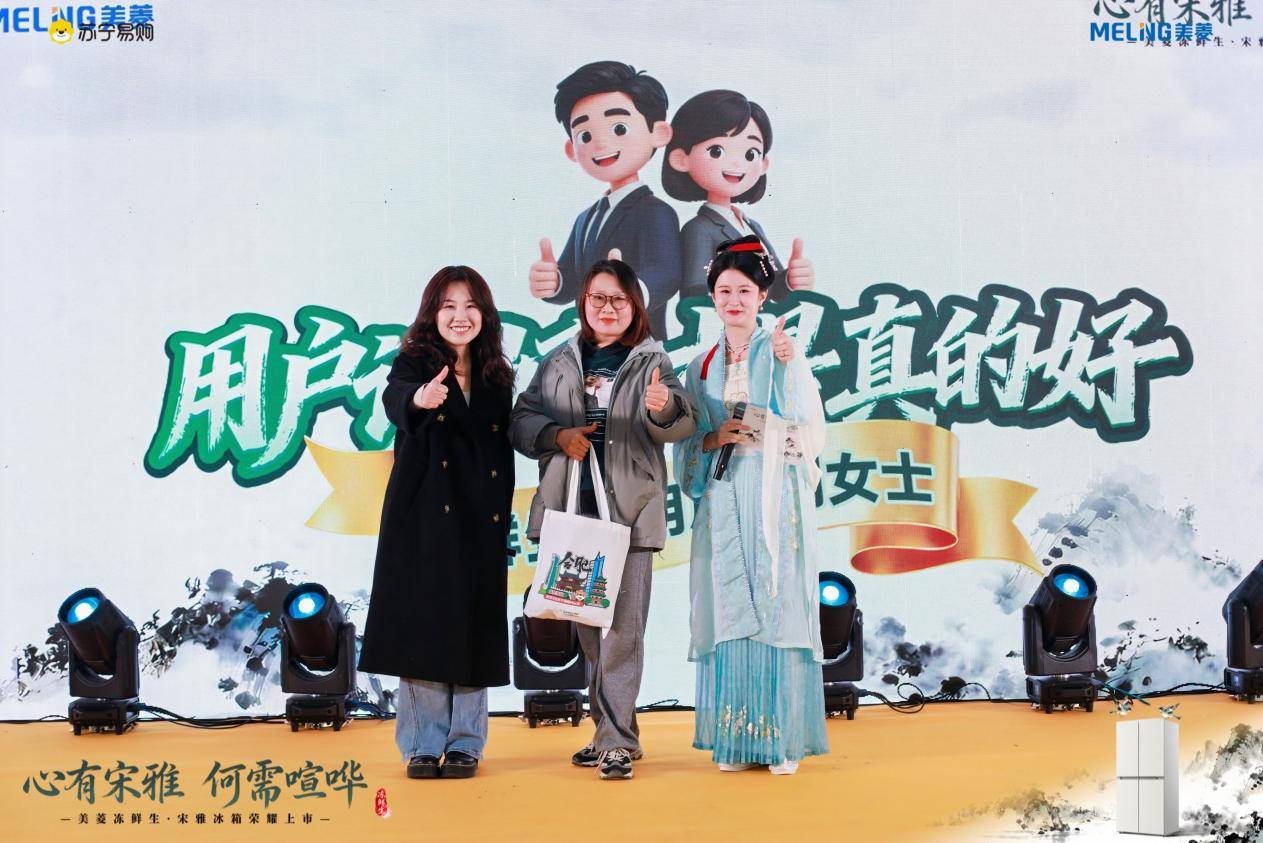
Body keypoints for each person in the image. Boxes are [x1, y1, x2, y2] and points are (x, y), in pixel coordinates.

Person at [511, 257, 696, 780]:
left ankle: (614, 741)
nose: (608, 308)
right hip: (572, 513)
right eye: (598, 298)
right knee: (590, 629)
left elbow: (681, 424)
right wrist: (556, 436)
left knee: (623, 631)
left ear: (635, 306)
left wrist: (663, 406)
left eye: (618, 299)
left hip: (630, 516)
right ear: (583, 303)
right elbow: (521, 419)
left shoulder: (653, 360)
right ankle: (613, 733)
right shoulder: (558, 361)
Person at [673, 235, 828, 775]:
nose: (733, 300)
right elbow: (690, 441)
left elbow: (809, 430)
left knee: (777, 603)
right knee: (730, 605)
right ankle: (737, 741)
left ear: (763, 296)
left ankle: (780, 740)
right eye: (724, 290)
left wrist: (789, 364)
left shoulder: (782, 349)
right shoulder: (700, 365)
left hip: (774, 493)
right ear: (711, 298)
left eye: (744, 290)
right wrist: (714, 438)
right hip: (723, 493)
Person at [358, 266, 516, 780]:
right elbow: (395, 398)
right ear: (432, 314)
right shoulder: (414, 361)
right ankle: (423, 743)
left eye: (470, 306)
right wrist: (419, 398)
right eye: (449, 306)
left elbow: (502, 451)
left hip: (481, 517)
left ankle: (466, 741)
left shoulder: (495, 374)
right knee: (424, 625)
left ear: (484, 314)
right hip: (424, 515)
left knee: (474, 625)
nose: (460, 316)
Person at [528, 60, 683, 340]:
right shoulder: (585, 219)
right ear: (571, 150)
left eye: (619, 128)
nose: (600, 144)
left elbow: (666, 273)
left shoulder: (656, 212)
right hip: (593, 345)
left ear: (658, 133)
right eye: (585, 135)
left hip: (639, 343)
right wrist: (554, 281)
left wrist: (629, 291)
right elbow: (572, 280)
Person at [662, 89, 814, 300]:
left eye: (750, 154)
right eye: (716, 151)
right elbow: (695, 294)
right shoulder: (699, 229)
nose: (736, 163)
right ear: (681, 159)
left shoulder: (752, 226)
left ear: (763, 164)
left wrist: (791, 279)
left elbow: (774, 287)